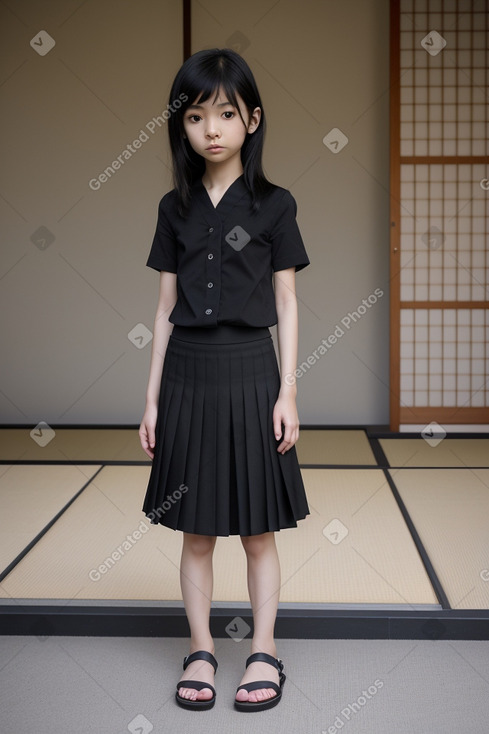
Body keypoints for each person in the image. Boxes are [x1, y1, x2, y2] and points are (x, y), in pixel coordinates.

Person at [139, 47, 310, 713]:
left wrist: (288, 389)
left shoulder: (274, 205)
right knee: (197, 530)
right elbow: (161, 309)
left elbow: (288, 304)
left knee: (258, 531)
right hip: (185, 373)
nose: (211, 128)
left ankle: (264, 649)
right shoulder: (173, 207)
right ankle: (201, 649)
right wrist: (151, 399)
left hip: (250, 371)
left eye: (226, 114)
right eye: (195, 117)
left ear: (251, 119)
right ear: (181, 127)